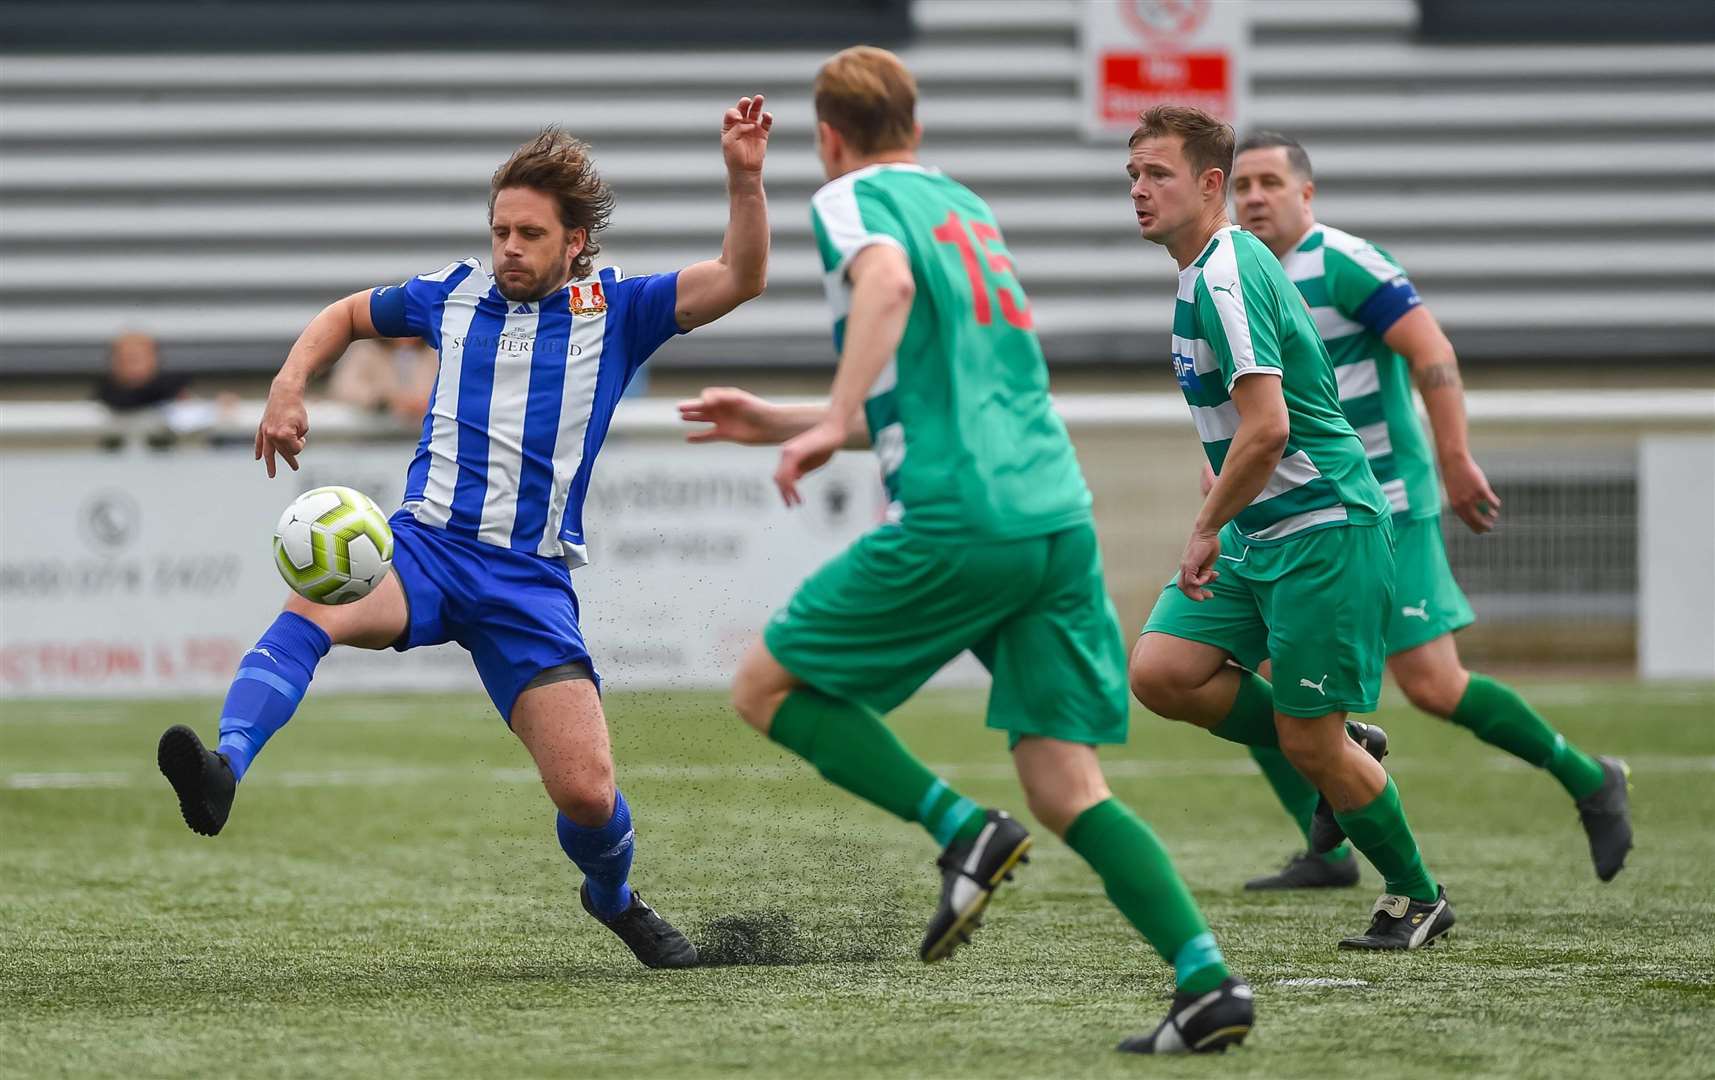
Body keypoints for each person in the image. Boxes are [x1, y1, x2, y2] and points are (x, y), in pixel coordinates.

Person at [678, 48, 1251, 1055]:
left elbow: (886, 286)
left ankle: (956, 827)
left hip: (961, 516)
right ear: (916, 125)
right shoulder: (963, 207)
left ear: (828, 139)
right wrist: (787, 420)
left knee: (763, 687)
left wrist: (833, 414)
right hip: (1052, 516)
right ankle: (1204, 980)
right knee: (1065, 788)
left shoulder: (852, 199)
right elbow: (946, 387)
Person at [155, 98, 774, 969]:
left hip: (526, 581)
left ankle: (615, 900)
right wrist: (288, 386)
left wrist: (743, 177)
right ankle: (223, 767)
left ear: (573, 243)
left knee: (589, 795)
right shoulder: (453, 294)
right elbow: (342, 315)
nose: (509, 248)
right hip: (426, 548)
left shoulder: (621, 310)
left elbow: (741, 276)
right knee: (315, 605)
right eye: (500, 231)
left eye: (528, 233)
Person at [1227, 131, 1632, 889]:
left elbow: (1429, 350)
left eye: (1268, 184)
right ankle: (1328, 850)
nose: (1252, 198)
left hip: (1381, 504)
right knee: (1244, 667)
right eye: (1241, 185)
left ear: (1304, 195)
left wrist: (1452, 458)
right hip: (1296, 513)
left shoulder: (1341, 261)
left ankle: (1587, 778)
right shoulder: (1238, 275)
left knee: (1431, 685)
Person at [1123, 105, 1455, 951]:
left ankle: (1416, 897)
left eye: (1156, 174)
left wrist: (1203, 526)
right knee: (1163, 671)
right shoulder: (1201, 268)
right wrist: (1221, 490)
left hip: (1320, 528)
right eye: (1131, 175)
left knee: (1309, 748)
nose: (1137, 190)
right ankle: (1337, 742)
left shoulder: (1227, 273)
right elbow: (1250, 423)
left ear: (1207, 184)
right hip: (1263, 528)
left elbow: (1269, 428)